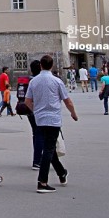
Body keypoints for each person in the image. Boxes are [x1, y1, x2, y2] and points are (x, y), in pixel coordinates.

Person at [24, 55, 77, 193]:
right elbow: (67, 100)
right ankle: (42, 182)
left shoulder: (34, 82)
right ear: (51, 66)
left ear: (41, 65)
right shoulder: (57, 81)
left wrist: (36, 111)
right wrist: (73, 113)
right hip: (53, 119)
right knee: (48, 149)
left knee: (50, 147)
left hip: (40, 119)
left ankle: (61, 172)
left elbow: (27, 101)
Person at [23, 60, 44, 169]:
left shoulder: (29, 80)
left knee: (36, 134)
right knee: (41, 135)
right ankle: (37, 161)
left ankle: (38, 158)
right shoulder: (39, 80)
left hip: (30, 111)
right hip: (38, 111)